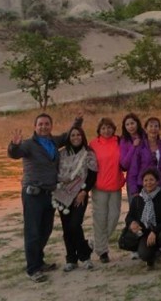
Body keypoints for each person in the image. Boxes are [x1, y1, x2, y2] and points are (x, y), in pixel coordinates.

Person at [7, 112, 82, 283]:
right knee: (32, 232)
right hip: (32, 194)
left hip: (49, 194)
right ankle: (32, 269)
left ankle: (39, 262)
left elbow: (67, 136)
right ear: (35, 127)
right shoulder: (28, 144)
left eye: (47, 124)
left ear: (51, 126)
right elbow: (14, 154)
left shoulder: (53, 141)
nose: (43, 126)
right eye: (40, 124)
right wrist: (13, 145)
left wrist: (77, 121)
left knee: (45, 230)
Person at [53, 126, 98, 272]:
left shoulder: (89, 153)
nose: (76, 137)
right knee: (67, 228)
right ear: (69, 138)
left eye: (78, 134)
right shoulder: (62, 154)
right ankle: (71, 259)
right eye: (72, 135)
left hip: (79, 194)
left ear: (83, 136)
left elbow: (92, 175)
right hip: (62, 194)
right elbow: (55, 171)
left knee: (75, 224)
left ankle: (85, 256)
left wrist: (84, 191)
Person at [88, 117, 125, 264]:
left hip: (116, 186)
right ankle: (102, 251)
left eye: (109, 127)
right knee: (100, 219)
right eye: (103, 128)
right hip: (99, 188)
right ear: (99, 130)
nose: (106, 130)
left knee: (114, 217)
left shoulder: (120, 141)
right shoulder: (93, 144)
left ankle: (93, 241)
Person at [124, 168, 161, 271]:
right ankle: (151, 259)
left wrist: (155, 231)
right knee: (144, 254)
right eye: (145, 180)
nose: (148, 183)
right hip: (145, 233)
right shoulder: (138, 199)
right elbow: (129, 216)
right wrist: (132, 223)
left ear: (157, 182)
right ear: (142, 182)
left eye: (151, 180)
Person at [120, 113, 147, 201]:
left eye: (132, 123)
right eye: (127, 124)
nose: (130, 126)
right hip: (132, 180)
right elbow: (124, 164)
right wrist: (133, 147)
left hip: (147, 178)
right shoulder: (124, 140)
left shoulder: (145, 136)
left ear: (137, 123)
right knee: (135, 209)